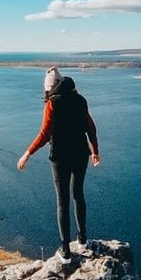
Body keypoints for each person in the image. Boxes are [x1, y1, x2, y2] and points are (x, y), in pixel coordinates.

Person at [17, 67, 100, 259]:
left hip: (60, 158)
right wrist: (95, 151)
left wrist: (27, 153)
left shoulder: (52, 103)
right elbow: (91, 128)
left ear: (50, 87)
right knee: (78, 195)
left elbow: (45, 135)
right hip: (80, 155)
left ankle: (66, 250)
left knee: (62, 201)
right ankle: (82, 239)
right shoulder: (80, 100)